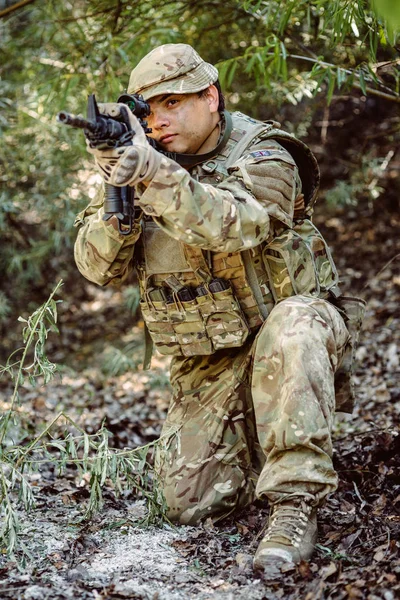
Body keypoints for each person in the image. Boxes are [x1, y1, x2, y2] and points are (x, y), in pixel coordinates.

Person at [74, 44, 365, 574]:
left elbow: (238, 224)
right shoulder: (142, 165)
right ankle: (265, 437)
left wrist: (152, 175)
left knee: (296, 323)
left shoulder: (266, 152)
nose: (159, 120)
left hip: (290, 331)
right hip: (214, 359)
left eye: (173, 102)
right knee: (188, 504)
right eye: (147, 109)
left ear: (211, 96)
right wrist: (118, 193)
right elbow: (97, 271)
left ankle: (295, 504)